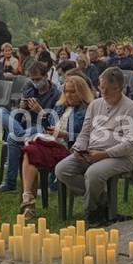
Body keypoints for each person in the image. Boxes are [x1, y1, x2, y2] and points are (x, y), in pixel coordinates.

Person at [54, 67, 133, 226]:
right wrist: (78, 148)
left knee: (93, 173)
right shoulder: (95, 105)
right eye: (101, 87)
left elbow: (130, 144)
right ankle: (103, 202)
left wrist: (104, 154)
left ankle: (92, 214)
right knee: (62, 169)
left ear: (119, 88)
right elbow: (85, 132)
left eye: (108, 89)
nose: (104, 92)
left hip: (121, 156)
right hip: (92, 151)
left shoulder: (130, 108)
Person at [20, 75, 93, 219]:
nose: (68, 95)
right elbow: (50, 125)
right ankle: (28, 198)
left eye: (73, 92)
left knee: (31, 150)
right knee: (31, 150)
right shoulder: (60, 106)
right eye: (66, 91)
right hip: (53, 144)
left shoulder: (88, 110)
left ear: (81, 92)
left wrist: (65, 135)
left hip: (71, 149)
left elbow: (88, 136)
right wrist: (42, 114)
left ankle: (28, 203)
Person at [0, 61, 61, 194]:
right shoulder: (30, 91)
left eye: (38, 79)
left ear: (46, 76)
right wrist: (21, 109)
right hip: (25, 127)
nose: (35, 82)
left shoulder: (56, 94)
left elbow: (53, 124)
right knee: (0, 111)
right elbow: (18, 119)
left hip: (43, 129)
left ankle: (10, 183)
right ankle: (19, 133)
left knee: (12, 137)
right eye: (32, 80)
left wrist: (40, 111)